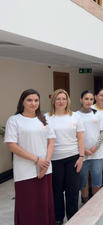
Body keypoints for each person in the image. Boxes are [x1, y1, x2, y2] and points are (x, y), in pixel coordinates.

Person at [5, 89, 56, 225]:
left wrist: (45, 163)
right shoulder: (14, 120)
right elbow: (12, 145)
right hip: (25, 171)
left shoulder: (44, 119)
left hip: (45, 169)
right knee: (28, 206)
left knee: (44, 204)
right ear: (22, 101)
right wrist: (37, 160)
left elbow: (51, 141)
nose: (33, 103)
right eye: (29, 100)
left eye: (36, 100)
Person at [46, 89, 85, 224]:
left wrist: (81, 157)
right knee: (56, 191)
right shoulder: (46, 118)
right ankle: (58, 218)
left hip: (73, 158)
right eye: (58, 99)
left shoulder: (75, 117)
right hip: (54, 159)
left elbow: (80, 138)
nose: (61, 101)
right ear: (53, 101)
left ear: (67, 100)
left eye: (63, 98)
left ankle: (73, 217)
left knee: (72, 191)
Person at [76, 91, 103, 203]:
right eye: (86, 99)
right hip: (81, 155)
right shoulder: (75, 115)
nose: (88, 101)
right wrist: (83, 150)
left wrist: (95, 147)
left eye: (90, 99)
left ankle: (95, 203)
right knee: (83, 181)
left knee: (97, 180)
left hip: (97, 154)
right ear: (81, 100)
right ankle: (85, 202)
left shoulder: (98, 114)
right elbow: (74, 135)